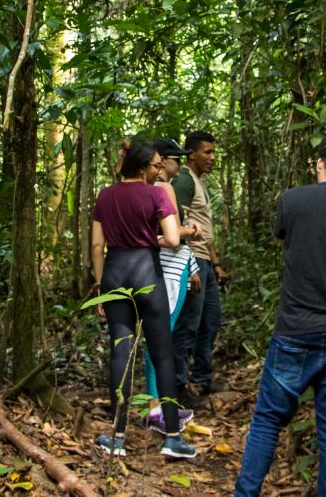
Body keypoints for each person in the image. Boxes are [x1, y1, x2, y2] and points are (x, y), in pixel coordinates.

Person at [233, 129, 326, 497]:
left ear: (320, 163)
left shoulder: (292, 200)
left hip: (295, 330)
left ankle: (246, 493)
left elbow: (287, 238)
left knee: (268, 421)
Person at [90, 141, 197, 460]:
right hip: (147, 275)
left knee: (119, 353)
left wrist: (100, 287)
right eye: (155, 165)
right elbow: (175, 238)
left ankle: (117, 438)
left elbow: (97, 247)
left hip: (114, 273)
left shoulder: (105, 195)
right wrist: (158, 236)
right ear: (141, 167)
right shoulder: (157, 195)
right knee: (163, 354)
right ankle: (173, 438)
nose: (159, 170)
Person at [142, 137, 200, 434]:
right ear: (161, 160)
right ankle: (161, 409)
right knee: (161, 340)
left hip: (150, 270)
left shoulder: (138, 189)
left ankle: (156, 406)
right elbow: (173, 233)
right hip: (170, 268)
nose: (179, 164)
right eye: (176, 159)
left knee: (155, 338)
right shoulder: (164, 189)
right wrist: (192, 229)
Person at [171, 130, 222, 401]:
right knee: (188, 324)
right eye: (208, 152)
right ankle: (179, 386)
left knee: (211, 320)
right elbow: (177, 225)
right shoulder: (184, 181)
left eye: (214, 152)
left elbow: (203, 226)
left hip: (205, 261)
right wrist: (189, 267)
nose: (213, 158)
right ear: (192, 154)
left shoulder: (199, 183)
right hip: (191, 262)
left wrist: (216, 263)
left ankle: (202, 377)